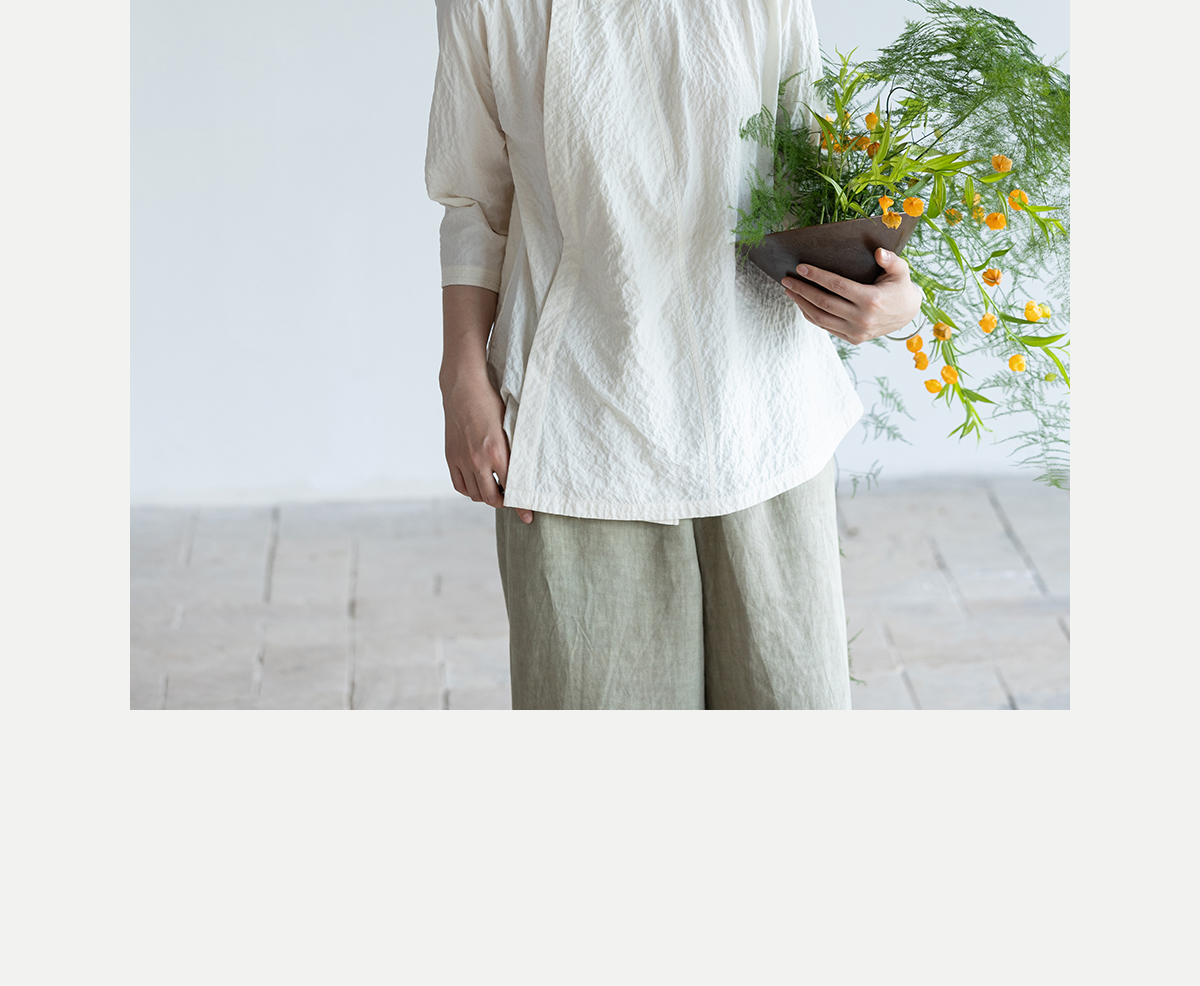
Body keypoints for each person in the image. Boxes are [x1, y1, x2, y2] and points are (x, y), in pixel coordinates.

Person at [425, 0, 922, 709]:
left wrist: (894, 296)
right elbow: (474, 202)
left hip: (761, 417)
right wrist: (461, 380)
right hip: (581, 425)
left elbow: (817, 174)